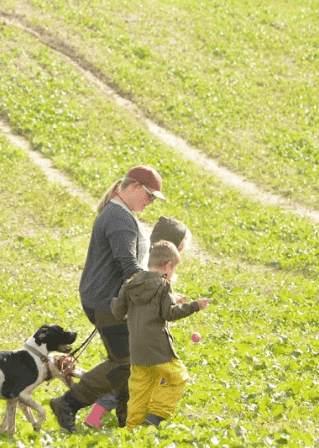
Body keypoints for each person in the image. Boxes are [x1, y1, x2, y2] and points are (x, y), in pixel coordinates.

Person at [49, 165, 165, 432]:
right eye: (149, 196)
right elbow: (128, 264)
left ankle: (127, 420)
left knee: (130, 362)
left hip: (108, 300)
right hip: (107, 302)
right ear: (134, 186)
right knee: (125, 363)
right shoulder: (118, 218)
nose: (149, 202)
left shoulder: (120, 214)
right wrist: (157, 293)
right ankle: (68, 403)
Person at [83, 216, 193, 429]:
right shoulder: (153, 270)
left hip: (137, 329)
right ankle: (147, 419)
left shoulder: (148, 262)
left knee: (133, 373)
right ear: (176, 247)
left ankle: (101, 415)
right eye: (182, 247)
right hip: (144, 334)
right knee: (148, 374)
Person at [110, 240, 210, 429]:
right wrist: (195, 305)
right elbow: (169, 314)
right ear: (169, 265)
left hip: (137, 348)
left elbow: (117, 311)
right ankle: (156, 416)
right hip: (158, 349)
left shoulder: (131, 283)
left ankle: (132, 428)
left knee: (141, 388)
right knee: (178, 376)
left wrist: (131, 316)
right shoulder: (163, 285)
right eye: (173, 269)